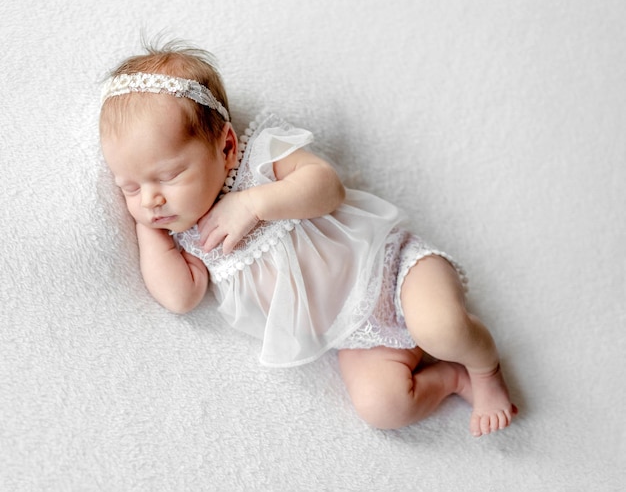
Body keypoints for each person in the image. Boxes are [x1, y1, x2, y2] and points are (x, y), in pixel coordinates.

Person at [99, 40, 517, 437]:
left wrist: (255, 204)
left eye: (168, 176)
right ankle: (453, 377)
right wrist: (148, 229)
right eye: (130, 187)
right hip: (355, 335)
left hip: (394, 269)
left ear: (225, 147)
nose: (151, 198)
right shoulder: (189, 237)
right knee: (383, 408)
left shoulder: (258, 158)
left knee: (440, 329)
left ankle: (485, 370)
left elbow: (326, 187)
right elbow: (179, 297)